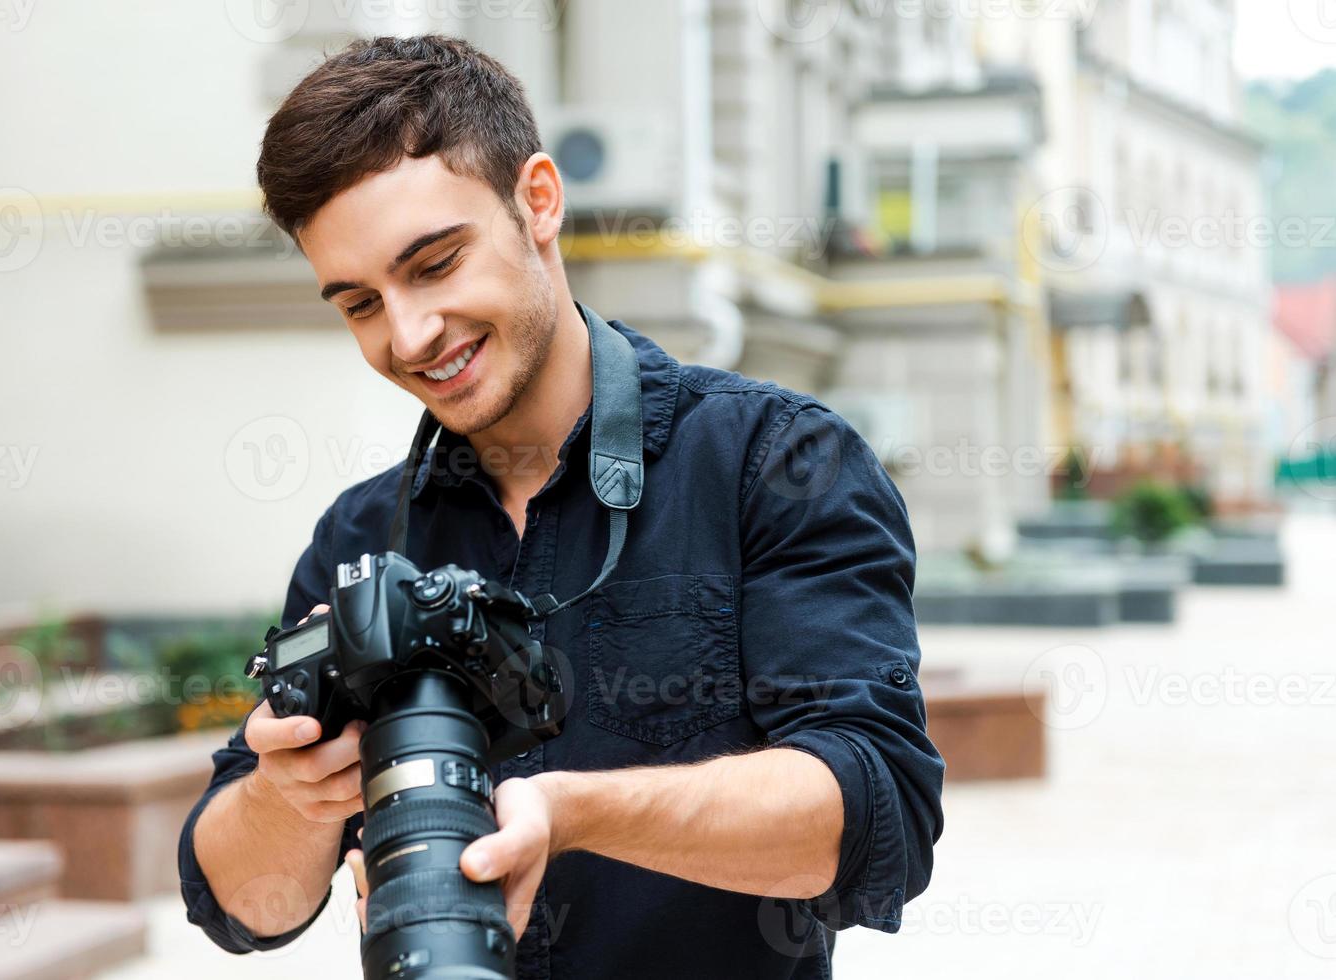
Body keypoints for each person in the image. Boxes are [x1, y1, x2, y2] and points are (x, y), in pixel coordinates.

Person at [178, 33, 944, 980]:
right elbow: (241, 907)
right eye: (359, 304)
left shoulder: (773, 462)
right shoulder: (362, 537)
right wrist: (285, 797)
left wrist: (569, 811)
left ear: (537, 200)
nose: (409, 335)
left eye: (434, 265)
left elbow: (880, 818)